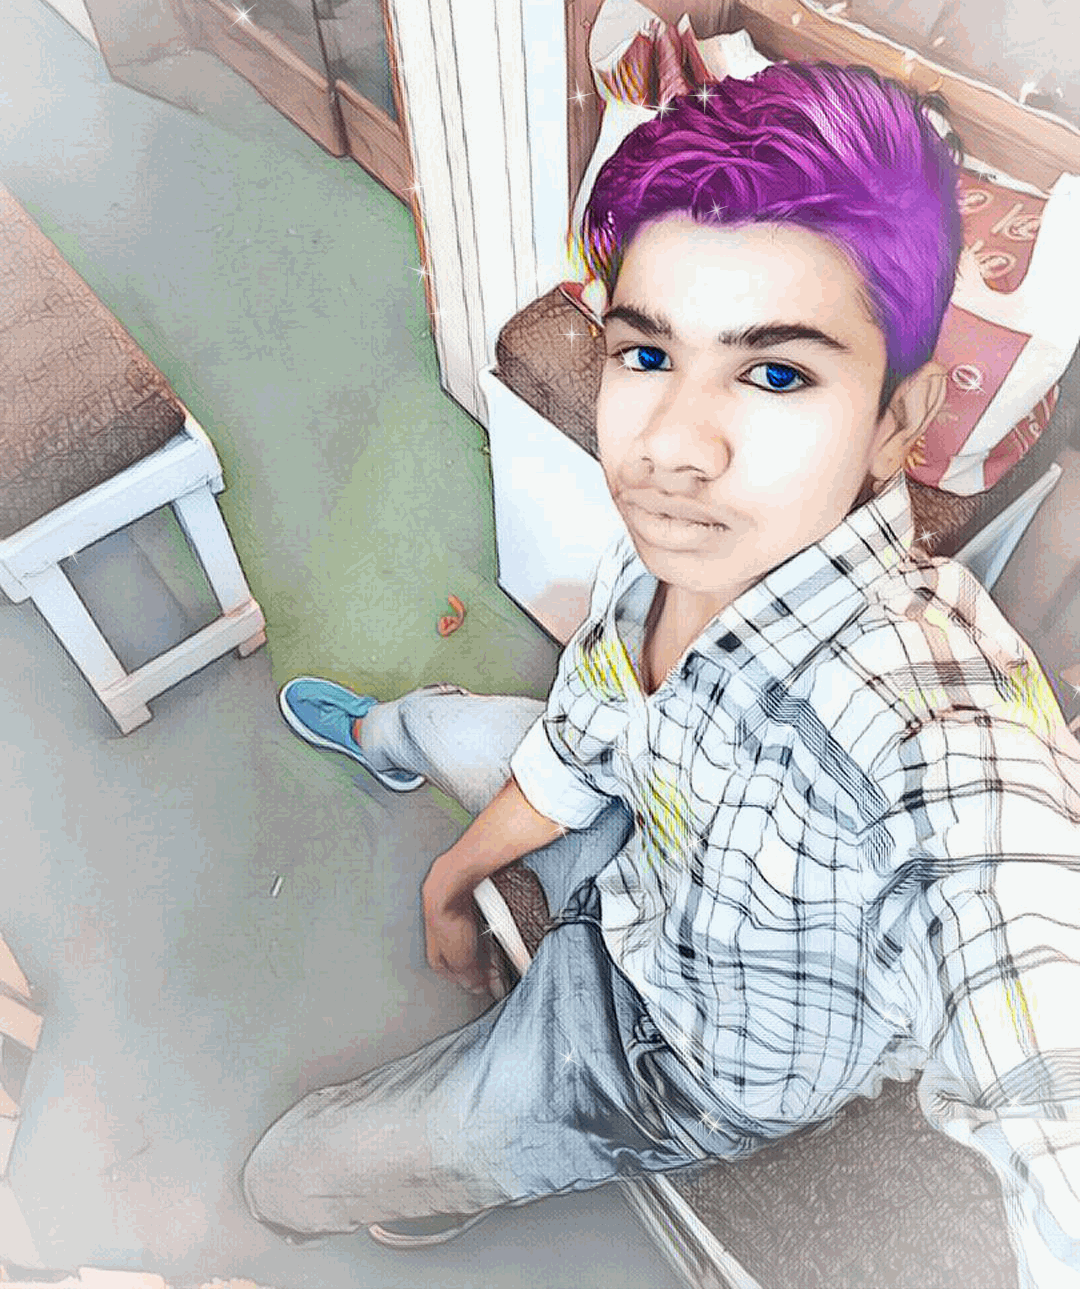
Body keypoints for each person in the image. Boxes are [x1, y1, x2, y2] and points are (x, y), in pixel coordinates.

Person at [243, 63, 1080, 1283]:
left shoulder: (928, 730)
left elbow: (1032, 1006)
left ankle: (446, 1186)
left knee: (288, 1176)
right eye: (646, 354)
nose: (671, 448)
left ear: (897, 422)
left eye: (776, 371)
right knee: (434, 726)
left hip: (670, 1059)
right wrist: (449, 880)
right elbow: (583, 733)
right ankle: (386, 742)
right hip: (641, 838)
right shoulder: (675, 555)